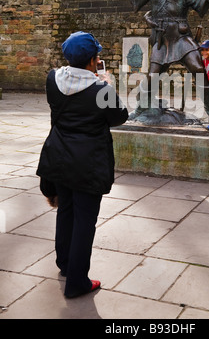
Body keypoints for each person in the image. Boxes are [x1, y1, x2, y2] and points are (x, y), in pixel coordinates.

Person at [36, 31, 128, 298]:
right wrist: (107, 83)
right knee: (84, 220)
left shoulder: (53, 79)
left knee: (65, 212)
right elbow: (119, 117)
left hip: (60, 159)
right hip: (88, 163)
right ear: (92, 60)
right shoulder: (101, 89)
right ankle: (77, 282)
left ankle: (65, 265)